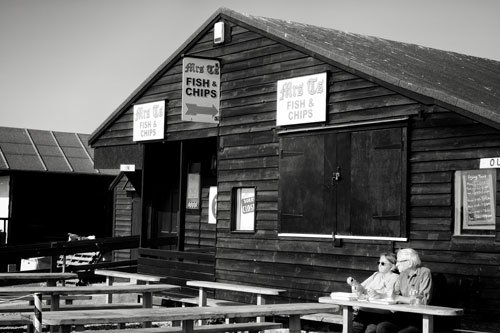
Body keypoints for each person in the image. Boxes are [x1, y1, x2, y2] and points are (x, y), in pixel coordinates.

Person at [375, 248, 433, 333]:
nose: (396, 265)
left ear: (409, 263)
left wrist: (398, 298)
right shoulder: (402, 275)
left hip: (419, 319)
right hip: (402, 316)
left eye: (399, 262)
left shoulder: (424, 273)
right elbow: (394, 295)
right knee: (382, 327)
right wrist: (379, 295)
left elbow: (423, 301)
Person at [350, 252, 399, 333]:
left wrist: (378, 294)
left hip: (380, 314)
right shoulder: (376, 275)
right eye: (378, 262)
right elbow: (362, 288)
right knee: (351, 328)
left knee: (370, 329)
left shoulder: (396, 278)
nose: (379, 265)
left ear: (392, 266)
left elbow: (392, 296)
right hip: (364, 312)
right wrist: (355, 284)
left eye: (382, 263)